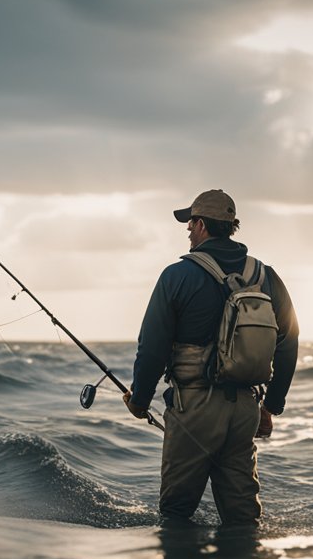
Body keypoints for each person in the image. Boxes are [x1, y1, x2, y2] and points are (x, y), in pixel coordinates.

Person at [124, 189, 299, 525]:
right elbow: (289, 341)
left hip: (194, 409)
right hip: (245, 409)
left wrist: (140, 400)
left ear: (202, 224)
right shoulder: (266, 277)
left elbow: (152, 346)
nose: (188, 231)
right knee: (243, 517)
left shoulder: (177, 276)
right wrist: (270, 407)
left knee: (176, 513)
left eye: (190, 223)